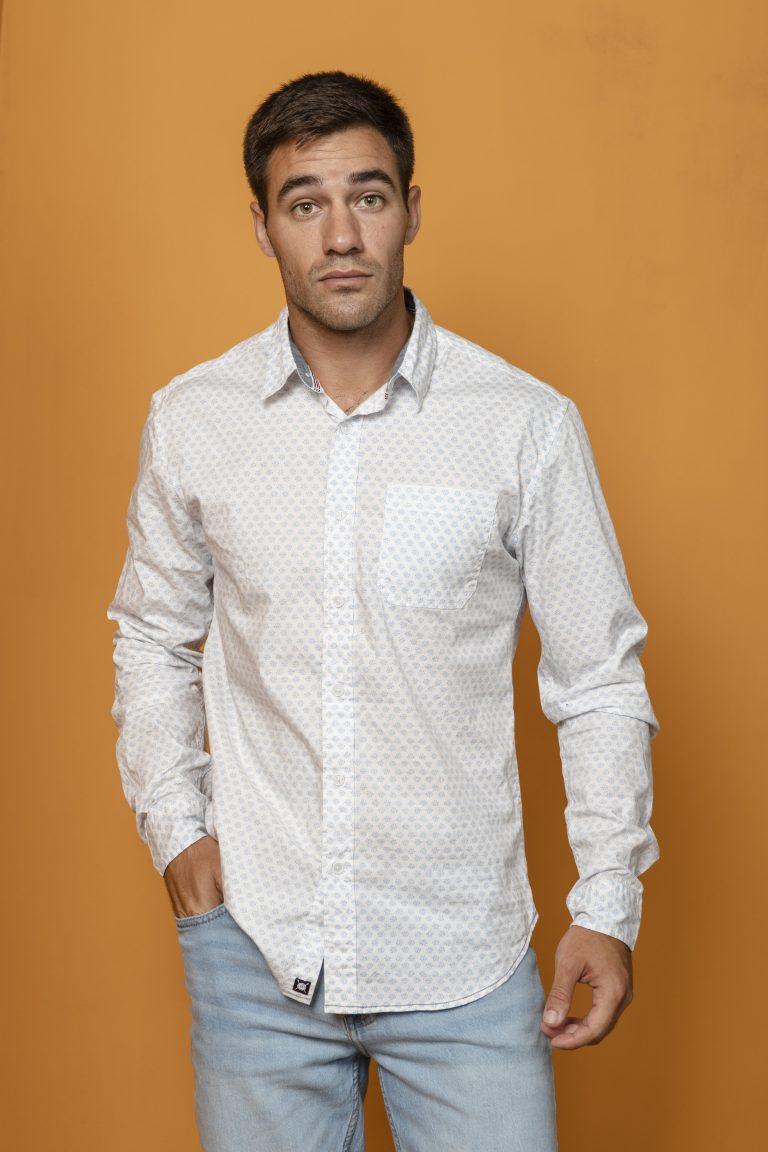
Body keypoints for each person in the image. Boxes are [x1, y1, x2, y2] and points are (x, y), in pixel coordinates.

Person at [107, 70, 660, 1152]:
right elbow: (152, 635)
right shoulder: (194, 421)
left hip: (465, 962)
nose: (340, 235)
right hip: (256, 951)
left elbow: (598, 676)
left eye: (367, 196)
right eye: (304, 202)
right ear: (262, 226)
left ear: (411, 208)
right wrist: (178, 830)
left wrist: (607, 902)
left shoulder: (523, 425)